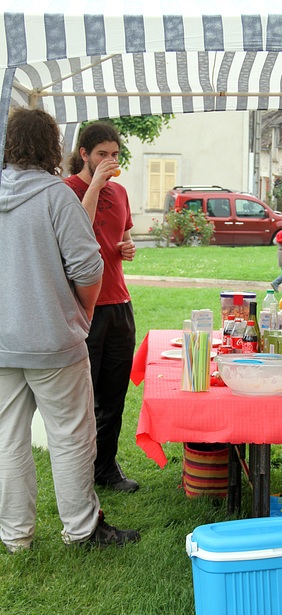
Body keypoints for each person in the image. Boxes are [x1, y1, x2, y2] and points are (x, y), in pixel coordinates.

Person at [0, 107, 140, 551]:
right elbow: (87, 268)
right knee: (72, 436)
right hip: (54, 341)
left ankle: (15, 536)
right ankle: (81, 529)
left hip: (5, 343)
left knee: (8, 441)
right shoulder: (58, 196)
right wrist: (80, 313)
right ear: (54, 147)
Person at [65, 123, 139, 493]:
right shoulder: (66, 191)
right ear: (84, 154)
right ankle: (80, 474)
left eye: (114, 154)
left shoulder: (121, 192)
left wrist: (127, 247)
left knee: (113, 395)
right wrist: (95, 184)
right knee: (85, 398)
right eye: (101, 154)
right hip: (84, 308)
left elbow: (123, 236)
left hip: (120, 305)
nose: (110, 161)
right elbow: (78, 228)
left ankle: (106, 469)